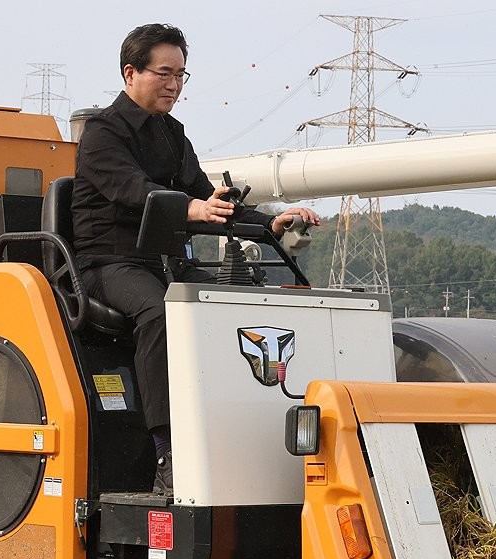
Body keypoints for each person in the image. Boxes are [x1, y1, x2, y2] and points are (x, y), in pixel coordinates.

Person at [72, 23, 320, 494]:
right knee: (161, 311)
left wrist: (270, 222)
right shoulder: (102, 134)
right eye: (165, 73)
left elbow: (208, 197)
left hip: (165, 262)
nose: (175, 85)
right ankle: (167, 450)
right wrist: (191, 208)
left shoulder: (172, 134)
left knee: (231, 301)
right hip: (108, 265)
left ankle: (236, 429)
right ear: (131, 72)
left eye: (182, 75)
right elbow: (134, 190)